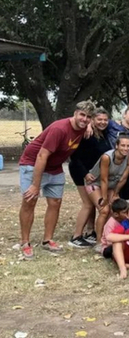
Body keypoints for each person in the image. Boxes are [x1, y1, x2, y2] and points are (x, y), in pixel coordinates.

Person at [18, 100, 95, 258]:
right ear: (74, 113)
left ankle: (48, 240)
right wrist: (35, 184)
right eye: (82, 115)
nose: (84, 119)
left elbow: (93, 122)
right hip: (33, 163)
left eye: (88, 117)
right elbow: (41, 155)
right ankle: (25, 242)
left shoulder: (83, 127)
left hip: (54, 167)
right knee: (30, 201)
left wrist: (89, 125)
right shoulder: (59, 129)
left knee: (55, 202)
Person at [69, 107, 112, 248]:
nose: (103, 122)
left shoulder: (103, 133)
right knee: (88, 204)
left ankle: (90, 231)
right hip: (81, 171)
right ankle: (76, 236)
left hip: (95, 173)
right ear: (92, 120)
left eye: (105, 120)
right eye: (99, 119)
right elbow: (75, 156)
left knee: (92, 204)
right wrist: (85, 173)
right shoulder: (87, 134)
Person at [85, 135, 129, 244]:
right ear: (116, 146)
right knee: (104, 210)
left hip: (112, 185)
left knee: (114, 210)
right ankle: (99, 241)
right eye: (123, 145)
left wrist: (115, 193)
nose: (126, 148)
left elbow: (123, 178)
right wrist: (104, 198)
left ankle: (108, 236)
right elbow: (103, 179)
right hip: (96, 182)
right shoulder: (107, 157)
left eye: (128, 146)